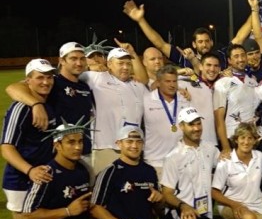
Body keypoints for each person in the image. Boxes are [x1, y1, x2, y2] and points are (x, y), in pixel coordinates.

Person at [1, 59, 57, 219]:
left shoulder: (47, 104)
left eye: (49, 77)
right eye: (40, 77)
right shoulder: (20, 108)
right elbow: (6, 147)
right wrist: (29, 170)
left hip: (40, 176)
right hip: (20, 178)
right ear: (28, 81)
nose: (46, 82)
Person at [5, 42, 95, 173]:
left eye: (82, 59)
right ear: (62, 61)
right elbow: (12, 88)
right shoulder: (52, 82)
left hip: (84, 150)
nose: (79, 63)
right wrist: (36, 104)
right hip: (60, 154)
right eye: (73, 59)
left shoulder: (84, 86)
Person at [123, 0, 253, 71]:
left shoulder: (222, 55)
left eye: (207, 41)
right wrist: (141, 20)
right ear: (194, 44)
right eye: (200, 42)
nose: (204, 44)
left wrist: (254, 10)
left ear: (212, 42)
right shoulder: (184, 57)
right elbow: (160, 44)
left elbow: (240, 37)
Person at [79, 41, 148, 175]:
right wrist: (91, 66)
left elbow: (146, 81)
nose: (125, 67)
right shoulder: (95, 78)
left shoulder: (137, 85)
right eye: (120, 63)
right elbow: (69, 76)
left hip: (132, 148)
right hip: (106, 147)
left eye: (128, 64)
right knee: (104, 186)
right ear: (109, 64)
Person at [142, 64, 192, 177]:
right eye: (167, 81)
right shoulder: (146, 100)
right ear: (158, 82)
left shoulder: (184, 99)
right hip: (155, 161)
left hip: (180, 162)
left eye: (174, 81)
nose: (172, 85)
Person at [213, 44, 259, 154]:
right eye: (236, 56)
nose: (241, 59)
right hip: (232, 139)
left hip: (251, 139)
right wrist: (225, 146)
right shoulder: (222, 83)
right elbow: (218, 118)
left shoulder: (253, 80)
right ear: (229, 60)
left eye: (243, 55)